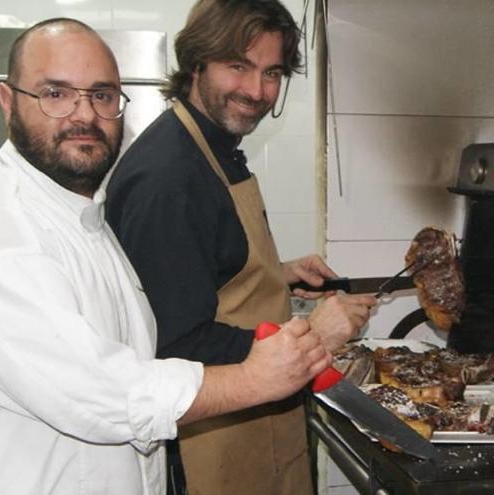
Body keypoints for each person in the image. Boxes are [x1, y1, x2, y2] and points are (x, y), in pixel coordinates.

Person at [0, 18, 331, 495]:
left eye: (102, 95)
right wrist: (253, 378)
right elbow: (103, 393)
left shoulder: (84, 221)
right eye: (56, 94)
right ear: (7, 102)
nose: (84, 115)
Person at [105, 1, 378, 493]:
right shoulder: (168, 177)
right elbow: (174, 343)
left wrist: (277, 273)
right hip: (209, 443)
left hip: (256, 424)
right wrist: (314, 335)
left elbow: (199, 268)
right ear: (197, 63)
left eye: (271, 72)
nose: (256, 91)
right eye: (238, 66)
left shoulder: (211, 146)